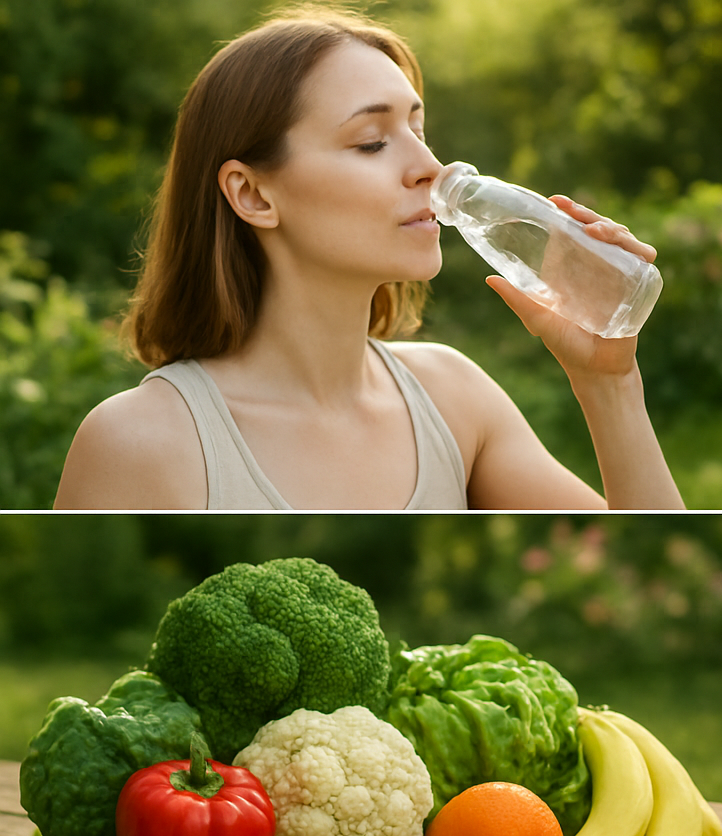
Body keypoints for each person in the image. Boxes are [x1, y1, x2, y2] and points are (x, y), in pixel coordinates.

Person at [54, 7, 684, 510]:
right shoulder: (141, 444)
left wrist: (610, 385)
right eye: (372, 141)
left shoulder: (454, 397)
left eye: (419, 129)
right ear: (252, 194)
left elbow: (659, 604)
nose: (432, 169)